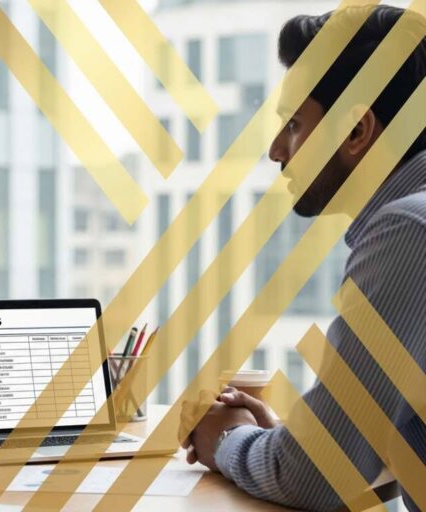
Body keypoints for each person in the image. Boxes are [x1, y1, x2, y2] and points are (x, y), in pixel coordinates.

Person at [182, 5, 426, 511]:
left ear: (358, 131)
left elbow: (318, 479)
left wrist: (226, 441)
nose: (276, 150)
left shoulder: (408, 232)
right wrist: (295, 443)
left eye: (294, 124)